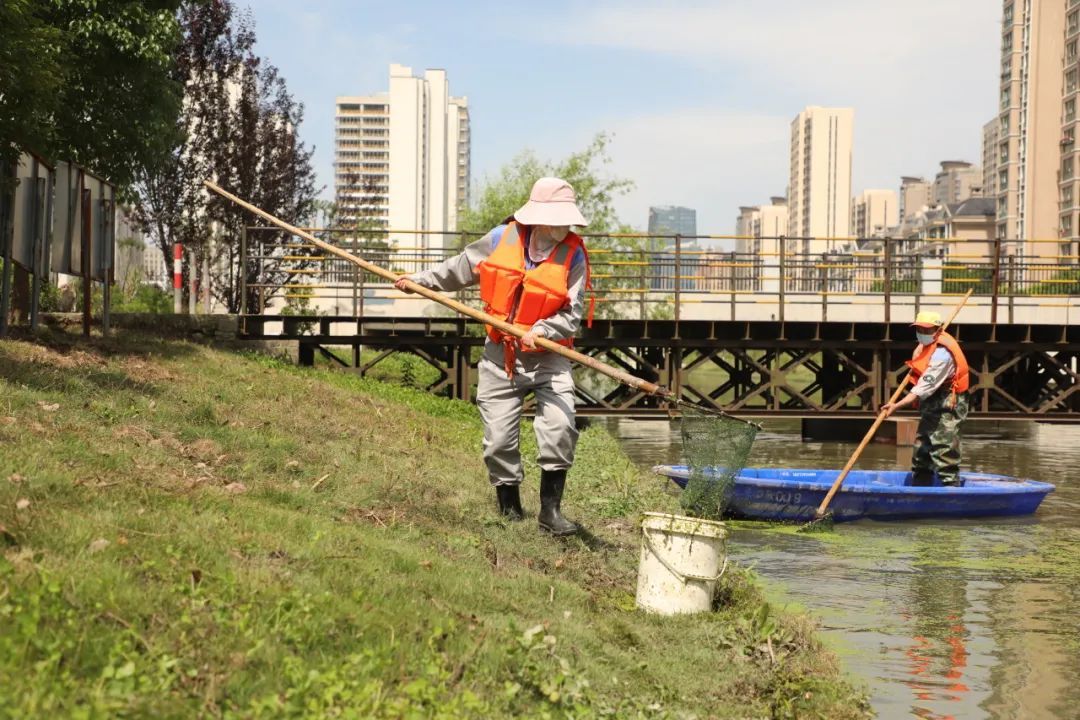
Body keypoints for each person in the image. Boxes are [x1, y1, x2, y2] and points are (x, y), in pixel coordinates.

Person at [394, 177, 591, 536]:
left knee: (560, 426)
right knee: (499, 440)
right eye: (560, 219)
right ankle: (510, 511)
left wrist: (544, 330)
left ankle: (551, 512)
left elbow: (572, 313)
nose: (567, 226)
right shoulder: (503, 238)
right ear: (541, 218)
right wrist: (420, 280)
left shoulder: (574, 255)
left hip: (549, 356)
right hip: (501, 354)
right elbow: (460, 267)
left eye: (569, 220)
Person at [882, 311, 971, 486]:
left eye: (926, 329)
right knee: (922, 446)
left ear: (937, 330)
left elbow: (923, 387)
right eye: (919, 328)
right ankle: (921, 484)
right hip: (932, 398)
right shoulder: (926, 345)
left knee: (944, 446)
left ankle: (950, 487)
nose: (922, 332)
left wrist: (896, 405)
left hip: (949, 400)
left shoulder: (942, 355)